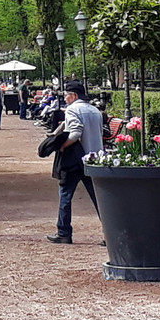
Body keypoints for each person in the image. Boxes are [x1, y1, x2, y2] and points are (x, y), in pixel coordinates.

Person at [49, 82, 105, 243]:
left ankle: (64, 232)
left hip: (75, 160)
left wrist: (61, 146)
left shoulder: (73, 109)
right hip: (94, 159)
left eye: (66, 95)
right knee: (99, 199)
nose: (65, 98)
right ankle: (110, 234)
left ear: (74, 96)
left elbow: (75, 132)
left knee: (65, 195)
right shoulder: (95, 110)